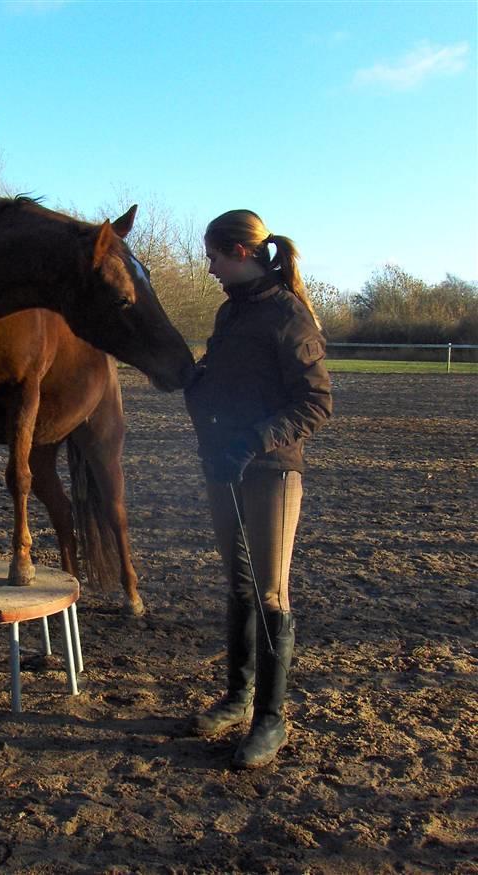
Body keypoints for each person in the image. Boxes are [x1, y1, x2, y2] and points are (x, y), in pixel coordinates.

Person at [184, 209, 332, 769]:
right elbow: (222, 384)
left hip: (270, 471)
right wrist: (190, 380)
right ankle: (238, 698)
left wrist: (253, 441)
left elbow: (317, 402)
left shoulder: (289, 315)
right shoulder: (229, 314)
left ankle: (271, 719)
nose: (210, 267)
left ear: (241, 253)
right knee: (239, 584)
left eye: (214, 256)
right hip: (224, 465)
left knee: (271, 591)